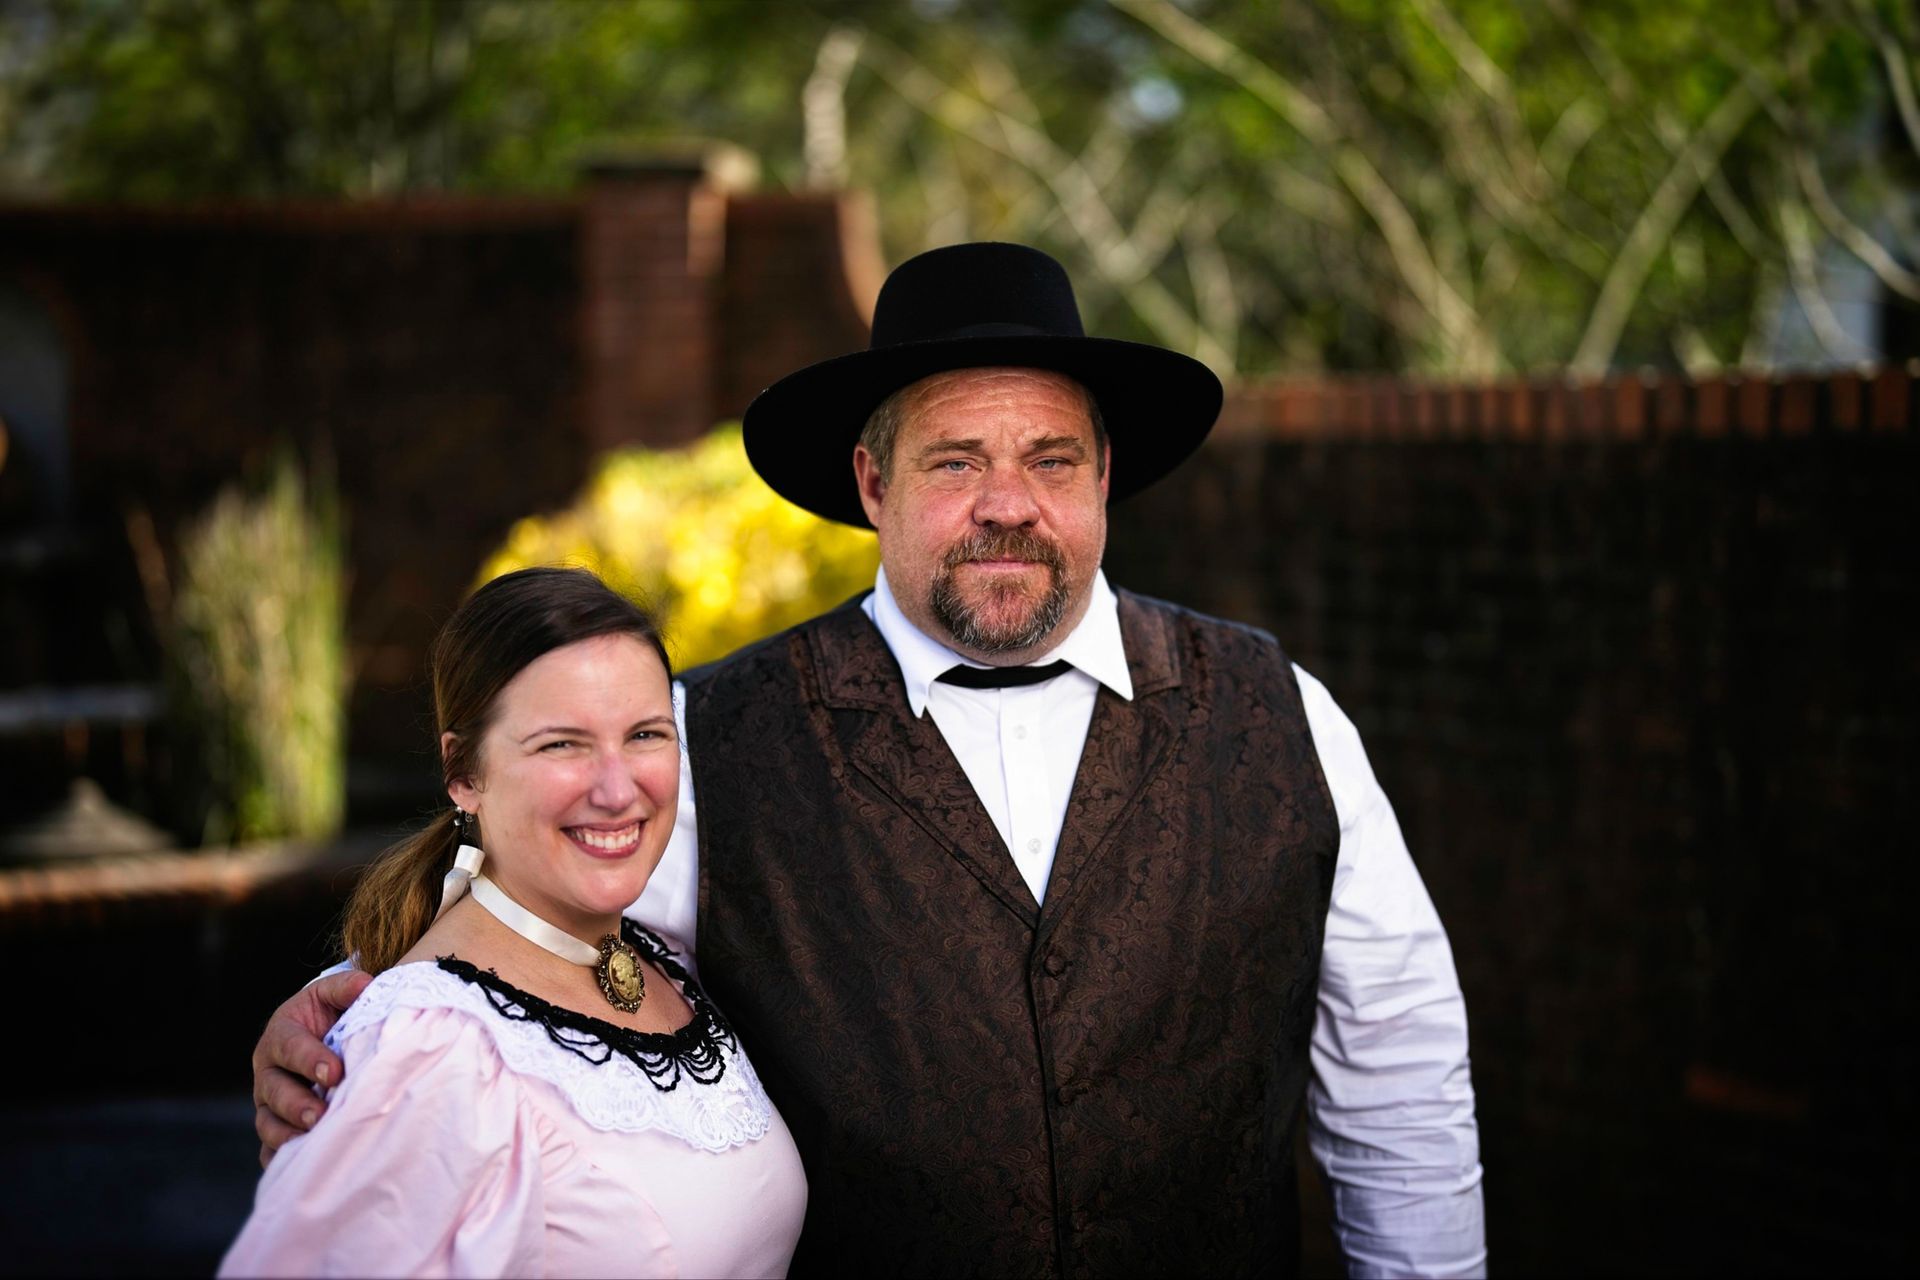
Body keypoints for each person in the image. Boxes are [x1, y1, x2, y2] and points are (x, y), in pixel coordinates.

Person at [255, 243, 1484, 1278]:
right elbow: (545, 941)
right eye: (956, 459)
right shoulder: (711, 738)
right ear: (871, 481)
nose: (1009, 502)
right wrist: (369, 1011)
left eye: (1052, 457)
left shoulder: (1281, 715)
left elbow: (1400, 1081)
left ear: (1106, 475)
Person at [224, 567, 806, 1278]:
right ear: (463, 773)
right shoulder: (431, 1051)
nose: (617, 789)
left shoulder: (658, 952)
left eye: (645, 734)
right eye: (562, 744)